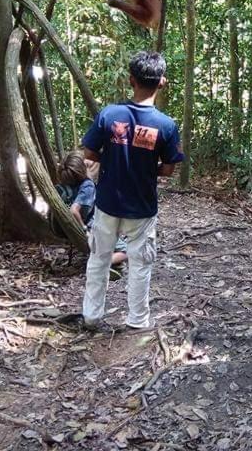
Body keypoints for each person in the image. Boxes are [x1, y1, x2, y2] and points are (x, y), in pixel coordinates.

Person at [80, 51, 184, 331]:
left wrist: (112, 159)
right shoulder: (166, 125)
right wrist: (148, 168)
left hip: (107, 203)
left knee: (99, 258)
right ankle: (137, 320)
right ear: (162, 82)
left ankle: (91, 316)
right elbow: (170, 168)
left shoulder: (109, 115)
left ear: (131, 80)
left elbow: (89, 152)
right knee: (140, 263)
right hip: (142, 206)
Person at [57, 152, 128, 275]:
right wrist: (84, 229)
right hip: (94, 229)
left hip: (71, 230)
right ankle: (102, 263)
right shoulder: (87, 186)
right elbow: (74, 210)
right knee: (128, 251)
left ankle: (112, 261)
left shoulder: (65, 185)